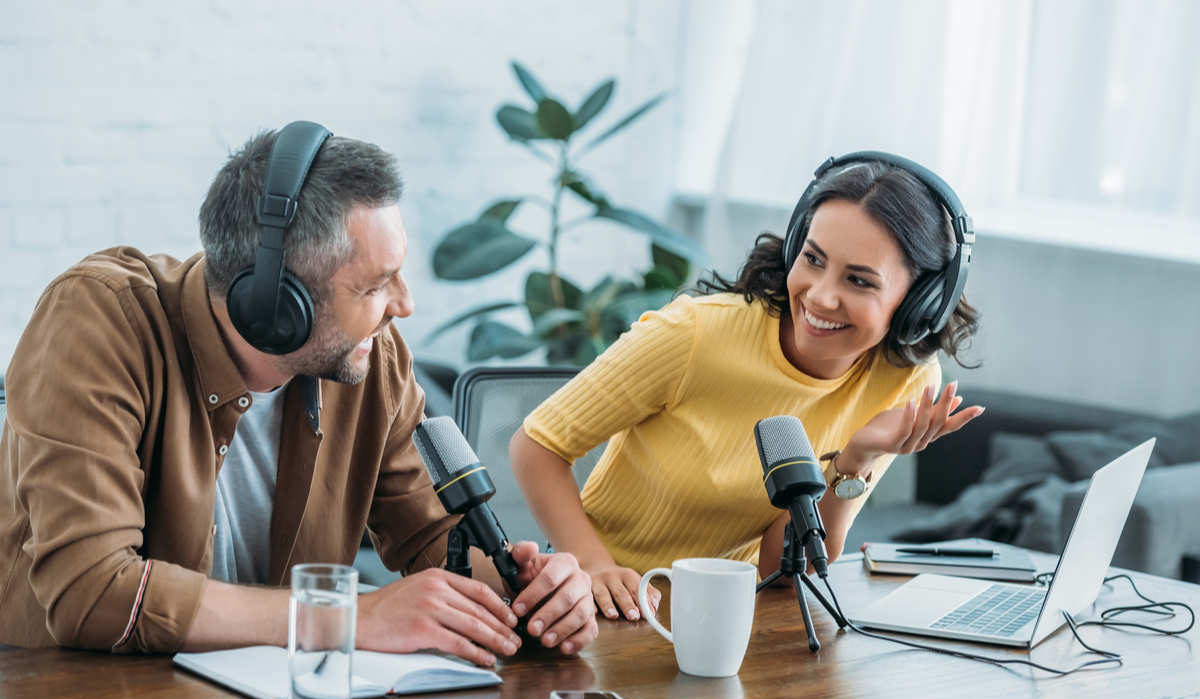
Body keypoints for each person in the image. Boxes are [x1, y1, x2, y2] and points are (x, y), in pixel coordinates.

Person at [0, 124, 597, 662]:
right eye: (375, 286)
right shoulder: (99, 320)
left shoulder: (371, 358)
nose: (405, 306)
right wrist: (350, 616)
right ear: (276, 308)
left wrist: (533, 592)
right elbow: (92, 593)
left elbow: (439, 544)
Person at [510, 156, 983, 621]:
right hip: (604, 606)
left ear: (919, 304)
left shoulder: (906, 384)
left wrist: (855, 460)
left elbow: (779, 570)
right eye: (813, 259)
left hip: (725, 616)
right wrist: (594, 566)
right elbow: (538, 444)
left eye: (859, 280)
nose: (820, 296)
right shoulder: (694, 336)